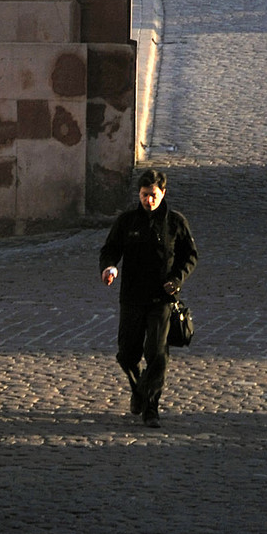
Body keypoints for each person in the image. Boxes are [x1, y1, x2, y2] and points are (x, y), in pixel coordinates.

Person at [100, 167, 196, 428]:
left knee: (157, 354)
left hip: (161, 299)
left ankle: (150, 407)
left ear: (163, 193)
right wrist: (109, 268)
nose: (149, 200)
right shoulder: (127, 221)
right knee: (126, 354)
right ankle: (139, 390)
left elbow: (190, 256)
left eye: (153, 195)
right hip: (132, 296)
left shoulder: (175, 222)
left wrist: (176, 280)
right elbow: (110, 249)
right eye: (144, 195)